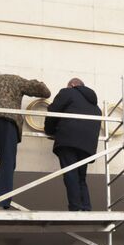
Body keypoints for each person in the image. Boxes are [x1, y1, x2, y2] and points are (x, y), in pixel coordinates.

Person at [0, 70, 50, 208]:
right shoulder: (13, 80)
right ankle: (1, 202)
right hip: (8, 120)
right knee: (7, 162)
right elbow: (44, 91)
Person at [43, 77, 101, 211]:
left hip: (68, 139)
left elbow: (54, 110)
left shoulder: (68, 92)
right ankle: (85, 207)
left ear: (73, 84)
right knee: (81, 177)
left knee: (70, 174)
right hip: (87, 145)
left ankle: (75, 207)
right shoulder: (95, 106)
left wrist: (49, 130)